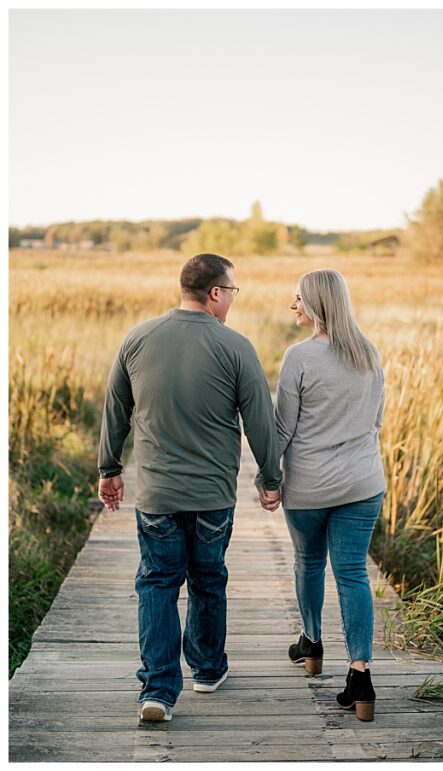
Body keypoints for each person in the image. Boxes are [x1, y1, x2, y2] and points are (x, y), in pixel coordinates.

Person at [97, 253, 282, 724]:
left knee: (157, 583)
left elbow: (115, 411)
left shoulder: (136, 339)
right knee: (207, 578)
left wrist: (109, 469)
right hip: (212, 497)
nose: (232, 300)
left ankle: (157, 690)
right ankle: (206, 669)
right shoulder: (236, 346)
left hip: (156, 493)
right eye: (232, 291)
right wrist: (270, 477)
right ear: (215, 293)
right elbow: (260, 421)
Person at [258, 268, 386, 723]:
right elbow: (376, 421)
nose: (292, 306)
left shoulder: (300, 357)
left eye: (297, 298)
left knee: (309, 562)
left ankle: (311, 643)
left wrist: (268, 478)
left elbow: (282, 429)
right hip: (364, 483)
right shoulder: (368, 352)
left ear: (316, 304)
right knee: (352, 573)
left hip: (310, 486)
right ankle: (360, 675)